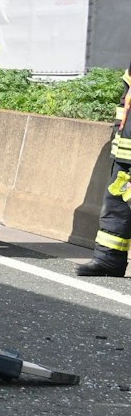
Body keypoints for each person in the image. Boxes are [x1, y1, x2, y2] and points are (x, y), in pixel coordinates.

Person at [73, 68, 131, 277]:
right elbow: (126, 100)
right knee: (116, 205)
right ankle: (108, 259)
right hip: (125, 150)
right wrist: (119, 130)